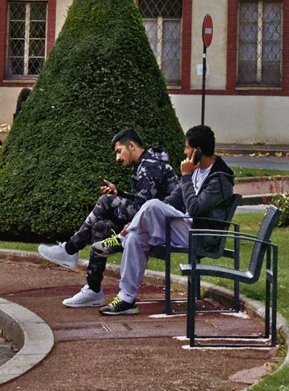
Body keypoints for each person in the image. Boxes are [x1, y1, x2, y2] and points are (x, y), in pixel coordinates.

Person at [100, 125, 235, 317]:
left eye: (187, 148)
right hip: (185, 228)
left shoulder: (220, 179)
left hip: (201, 235)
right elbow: (172, 200)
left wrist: (186, 176)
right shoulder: (196, 171)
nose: (184, 152)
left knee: (152, 205)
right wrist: (143, 219)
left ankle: (122, 238)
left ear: (197, 151)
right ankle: (126, 298)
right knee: (136, 238)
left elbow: (196, 209)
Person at [38, 128, 181, 307]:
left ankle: (70, 249)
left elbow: (145, 207)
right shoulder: (144, 164)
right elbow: (142, 201)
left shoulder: (150, 165)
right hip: (152, 223)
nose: (117, 158)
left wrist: (114, 199)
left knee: (106, 201)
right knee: (100, 228)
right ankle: (93, 289)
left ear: (132, 146)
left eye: (119, 151)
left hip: (165, 227)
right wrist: (119, 193)